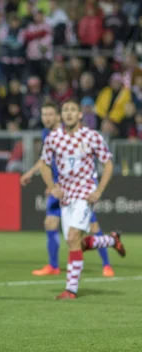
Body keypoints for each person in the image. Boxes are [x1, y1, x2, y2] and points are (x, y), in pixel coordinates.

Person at [39, 99, 125, 300]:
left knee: (72, 236)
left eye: (73, 110)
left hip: (85, 194)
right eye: (65, 110)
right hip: (66, 197)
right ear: (62, 115)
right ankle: (112, 239)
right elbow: (44, 164)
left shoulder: (91, 136)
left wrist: (99, 191)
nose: (69, 113)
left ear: (80, 114)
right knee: (75, 242)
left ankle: (71, 289)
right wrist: (53, 187)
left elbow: (108, 164)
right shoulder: (54, 138)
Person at [21, 101, 115, 277]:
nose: (46, 118)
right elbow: (45, 160)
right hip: (59, 188)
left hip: (80, 189)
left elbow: (103, 161)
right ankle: (54, 266)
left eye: (50, 114)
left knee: (92, 228)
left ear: (58, 116)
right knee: (51, 223)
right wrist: (39, 177)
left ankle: (107, 262)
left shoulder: (80, 136)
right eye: (44, 115)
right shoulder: (48, 135)